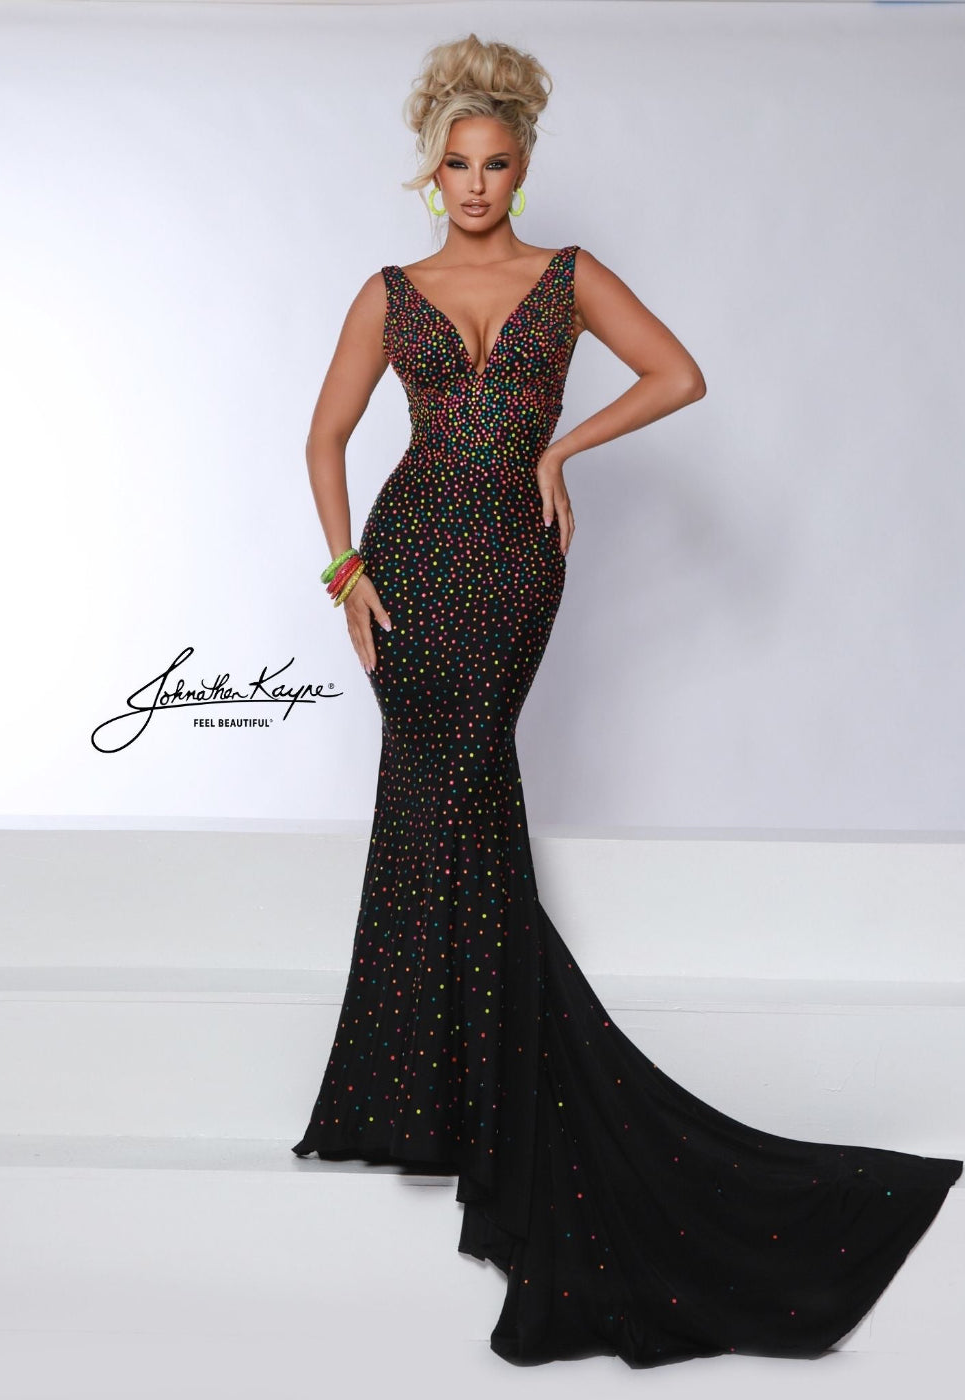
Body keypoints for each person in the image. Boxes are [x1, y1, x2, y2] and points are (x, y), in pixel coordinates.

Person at [293, 32, 961, 1369]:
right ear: (431, 171)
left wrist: (562, 446)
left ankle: (460, 1097)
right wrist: (345, 571)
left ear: (522, 166)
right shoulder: (390, 292)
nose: (475, 184)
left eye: (495, 163)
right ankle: (426, 1095)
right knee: (432, 795)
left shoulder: (569, 278)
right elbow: (324, 438)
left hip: (512, 567)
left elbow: (679, 373)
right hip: (409, 560)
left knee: (462, 784)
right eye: (456, 164)